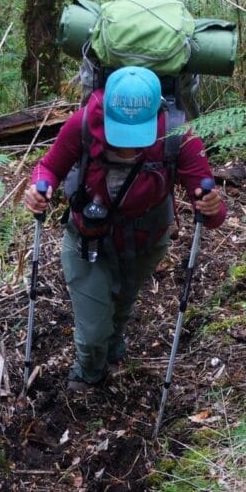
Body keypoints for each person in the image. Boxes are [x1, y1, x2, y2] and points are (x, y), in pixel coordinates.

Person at [24, 66, 226, 393]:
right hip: (87, 238)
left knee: (122, 303)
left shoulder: (178, 135)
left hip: (146, 241)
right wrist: (40, 188)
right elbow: (48, 167)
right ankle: (88, 374)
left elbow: (212, 213)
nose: (128, 149)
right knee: (92, 331)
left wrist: (212, 208)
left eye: (136, 138)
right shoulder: (84, 123)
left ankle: (115, 346)